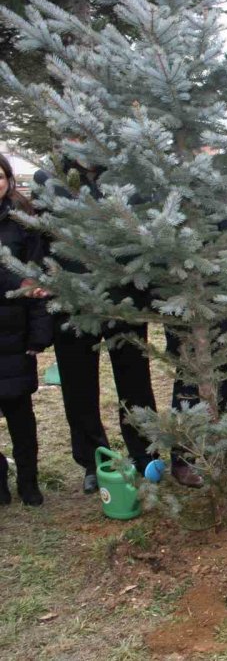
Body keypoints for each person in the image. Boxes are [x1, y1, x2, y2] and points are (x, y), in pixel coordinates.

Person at [33, 155, 159, 493]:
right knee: (79, 386)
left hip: (124, 302)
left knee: (135, 380)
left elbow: (144, 237)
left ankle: (145, 454)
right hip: (73, 303)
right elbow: (39, 239)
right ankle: (93, 460)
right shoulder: (47, 180)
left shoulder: (126, 177)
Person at [0, 153, 53, 506]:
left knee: (20, 413)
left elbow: (39, 281)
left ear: (7, 180)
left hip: (13, 333)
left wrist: (39, 334)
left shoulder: (22, 223)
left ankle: (29, 481)